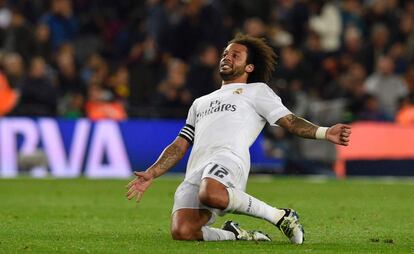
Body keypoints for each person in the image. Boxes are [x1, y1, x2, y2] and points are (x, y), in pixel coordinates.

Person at [126, 34, 352, 243]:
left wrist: (325, 132)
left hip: (228, 158)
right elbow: (180, 143)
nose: (227, 57)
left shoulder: (257, 91)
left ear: (249, 66)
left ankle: (280, 216)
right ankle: (234, 234)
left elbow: (290, 122)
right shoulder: (200, 102)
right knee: (183, 231)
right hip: (197, 167)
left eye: (235, 55)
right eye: (225, 53)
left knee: (211, 192)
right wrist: (152, 172)